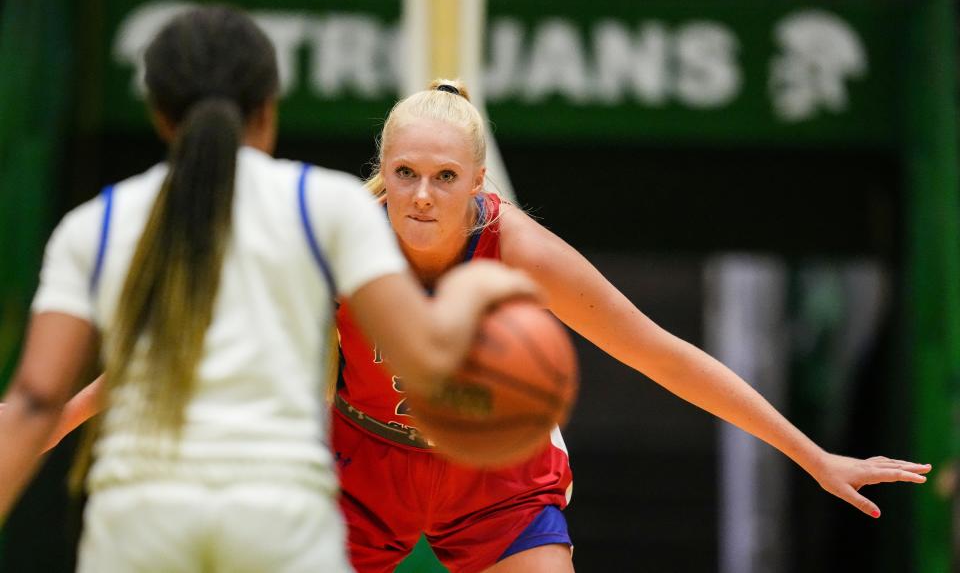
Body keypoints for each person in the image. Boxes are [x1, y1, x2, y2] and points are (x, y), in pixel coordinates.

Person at [28, 80, 932, 573]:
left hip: (494, 469)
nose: (423, 195)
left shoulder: (523, 254)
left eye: (445, 178)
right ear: (381, 170)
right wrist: (45, 428)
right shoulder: (332, 240)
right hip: (361, 465)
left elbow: (661, 354)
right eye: (406, 173)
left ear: (478, 182)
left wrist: (815, 456)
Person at [0, 11, 535, 572]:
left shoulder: (99, 222)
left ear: (159, 115)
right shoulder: (323, 206)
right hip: (278, 515)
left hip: (144, 518)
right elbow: (421, 349)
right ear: (269, 109)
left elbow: (39, 402)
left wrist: (58, 420)